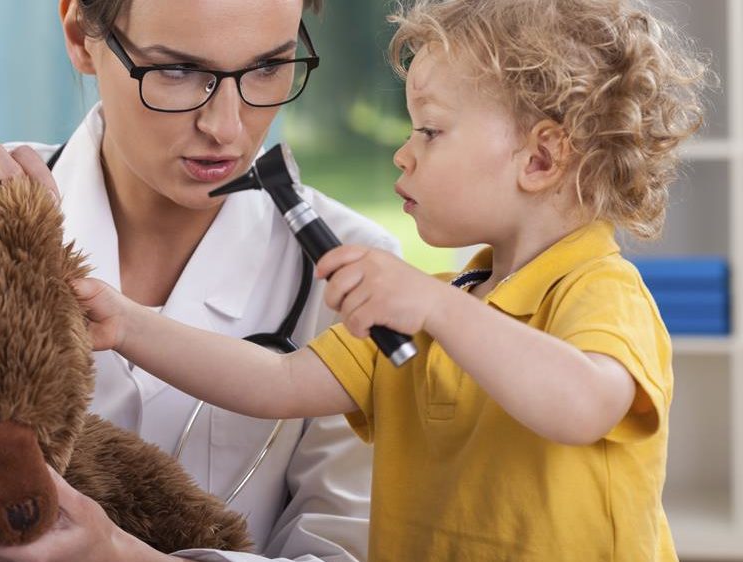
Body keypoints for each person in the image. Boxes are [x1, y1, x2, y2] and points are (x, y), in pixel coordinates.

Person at [68, 0, 712, 560]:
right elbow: (278, 381)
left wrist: (435, 307)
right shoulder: (441, 297)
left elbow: (581, 405)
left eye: (430, 131)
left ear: (540, 158)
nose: (403, 153)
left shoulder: (596, 289)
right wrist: (127, 324)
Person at [0, 1, 402, 561]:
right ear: (81, 35)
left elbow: (342, 551)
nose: (227, 126)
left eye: (268, 66)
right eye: (178, 70)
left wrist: (117, 556)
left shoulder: (354, 269)